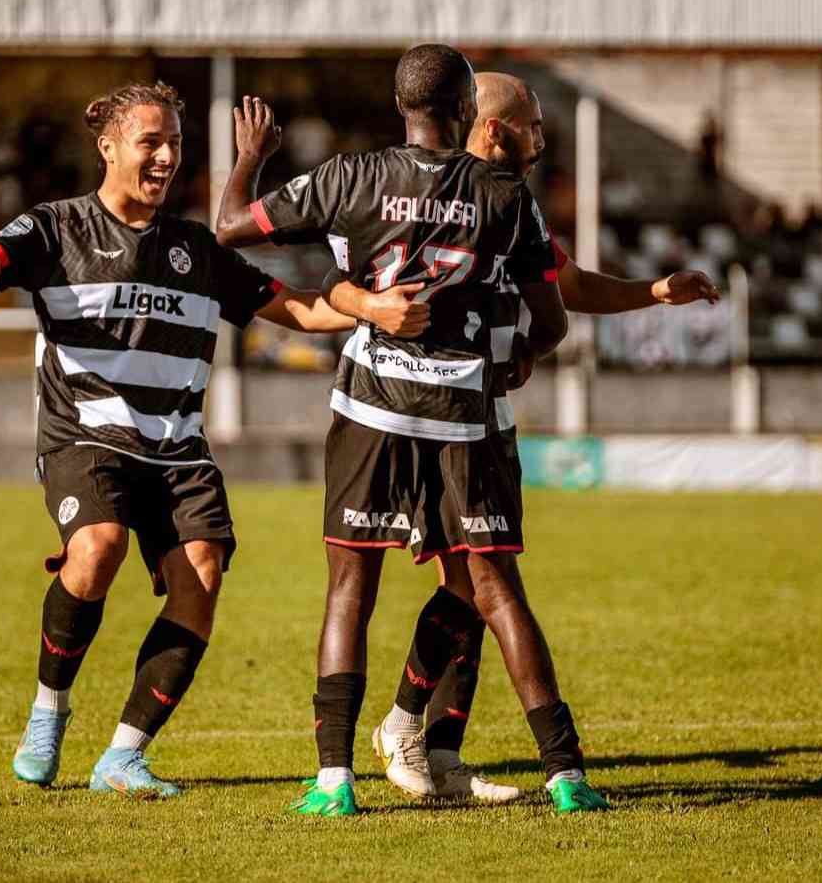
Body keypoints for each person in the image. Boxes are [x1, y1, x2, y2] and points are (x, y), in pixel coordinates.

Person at [0, 81, 355, 799]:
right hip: (85, 435)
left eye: (175, 143)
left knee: (203, 575)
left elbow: (305, 313)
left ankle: (122, 757)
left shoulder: (197, 249)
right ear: (108, 146)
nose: (165, 157)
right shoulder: (57, 227)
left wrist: (375, 303)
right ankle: (49, 709)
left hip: (178, 448)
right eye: (149, 142)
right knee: (98, 549)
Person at [217, 44, 596, 816]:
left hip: (371, 407)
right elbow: (553, 317)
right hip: (460, 415)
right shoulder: (505, 196)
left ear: (401, 107)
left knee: (350, 589)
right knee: (494, 592)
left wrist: (250, 156)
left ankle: (334, 782)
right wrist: (523, 354)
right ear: (466, 110)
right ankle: (566, 775)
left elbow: (228, 227)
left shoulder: (350, 176)